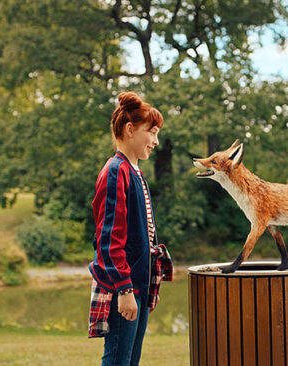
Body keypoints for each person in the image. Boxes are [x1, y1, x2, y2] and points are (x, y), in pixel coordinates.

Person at [88, 92, 173, 366]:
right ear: (130, 129)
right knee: (117, 361)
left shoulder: (135, 172)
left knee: (130, 361)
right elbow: (109, 239)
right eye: (152, 132)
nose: (156, 141)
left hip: (139, 284)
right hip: (123, 288)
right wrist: (124, 290)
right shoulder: (116, 170)